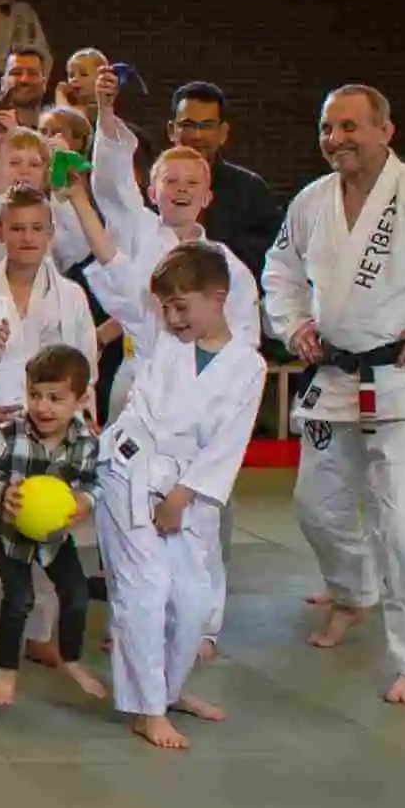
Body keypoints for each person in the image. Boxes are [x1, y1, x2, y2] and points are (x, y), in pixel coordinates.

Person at [264, 84, 405, 704]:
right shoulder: (311, 200)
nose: (337, 139)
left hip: (401, 382)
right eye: (328, 128)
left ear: (386, 130)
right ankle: (353, 593)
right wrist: (293, 323)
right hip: (333, 376)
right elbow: (280, 271)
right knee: (316, 507)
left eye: (350, 126)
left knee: (402, 527)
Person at [87, 235, 262, 749]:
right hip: (130, 469)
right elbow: (117, 268)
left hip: (188, 487)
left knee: (192, 598)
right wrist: (80, 201)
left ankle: (167, 689)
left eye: (183, 306)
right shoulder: (160, 336)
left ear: (219, 296)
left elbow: (229, 444)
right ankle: (146, 709)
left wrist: (181, 497)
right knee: (144, 591)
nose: (173, 317)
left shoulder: (248, 366)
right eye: (165, 307)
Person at [0, 185, 98, 671]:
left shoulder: (71, 296)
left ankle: (38, 633)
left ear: (52, 234)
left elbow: (86, 368)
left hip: (53, 432)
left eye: (37, 228)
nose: (27, 237)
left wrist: (78, 423)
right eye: (17, 228)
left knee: (45, 529)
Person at [0, 344, 105, 708]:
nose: (43, 407)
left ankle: (71, 659)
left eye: (56, 398)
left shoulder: (87, 442)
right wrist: (1, 492)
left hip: (54, 537)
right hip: (9, 535)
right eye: (35, 395)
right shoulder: (10, 434)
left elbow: (98, 483)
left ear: (80, 399)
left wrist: (85, 501)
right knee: (19, 599)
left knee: (76, 594)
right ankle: (7, 672)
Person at [167, 80, 283, 285]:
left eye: (207, 126)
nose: (197, 135)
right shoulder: (149, 189)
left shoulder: (251, 190)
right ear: (171, 130)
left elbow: (275, 258)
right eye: (188, 125)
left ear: (223, 133)